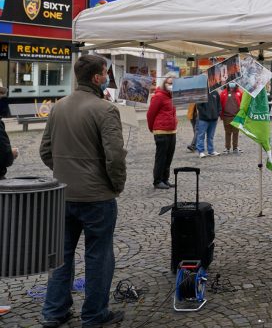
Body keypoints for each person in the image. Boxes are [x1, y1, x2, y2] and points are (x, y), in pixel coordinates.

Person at [40, 55, 127, 327]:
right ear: (97, 78)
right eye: (106, 72)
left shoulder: (59, 107)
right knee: (99, 256)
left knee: (61, 256)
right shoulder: (105, 109)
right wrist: (115, 185)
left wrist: (65, 172)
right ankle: (95, 314)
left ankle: (54, 312)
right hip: (96, 197)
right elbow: (115, 157)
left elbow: (45, 151)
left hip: (64, 194)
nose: (108, 77)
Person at [146, 75, 177, 190]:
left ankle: (165, 179)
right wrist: (152, 128)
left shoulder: (172, 97)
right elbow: (150, 114)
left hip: (171, 131)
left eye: (173, 84)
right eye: (169, 83)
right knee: (161, 157)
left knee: (169, 157)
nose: (171, 85)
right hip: (161, 131)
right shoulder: (159, 96)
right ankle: (157, 180)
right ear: (164, 83)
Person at [195, 89, 222, 158]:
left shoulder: (215, 92)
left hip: (214, 119)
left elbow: (219, 104)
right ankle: (201, 151)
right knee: (201, 135)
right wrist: (205, 114)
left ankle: (211, 151)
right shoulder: (201, 92)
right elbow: (199, 106)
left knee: (210, 136)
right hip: (203, 119)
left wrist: (218, 114)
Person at [219, 81, 243, 153]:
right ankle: (227, 148)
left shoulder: (240, 92)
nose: (232, 83)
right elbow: (220, 104)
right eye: (230, 82)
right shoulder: (223, 93)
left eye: (233, 82)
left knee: (236, 132)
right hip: (226, 117)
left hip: (237, 116)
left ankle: (235, 147)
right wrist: (221, 115)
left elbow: (242, 103)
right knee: (228, 132)